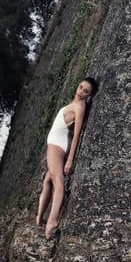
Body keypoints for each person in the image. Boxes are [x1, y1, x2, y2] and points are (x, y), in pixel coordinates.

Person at [36, 77, 98, 239]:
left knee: (58, 180)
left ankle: (52, 221)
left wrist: (70, 159)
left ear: (89, 95)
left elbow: (76, 134)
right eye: (81, 87)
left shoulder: (80, 107)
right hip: (57, 142)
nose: (81, 91)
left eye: (86, 91)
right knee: (48, 179)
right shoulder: (74, 103)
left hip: (57, 145)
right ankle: (39, 218)